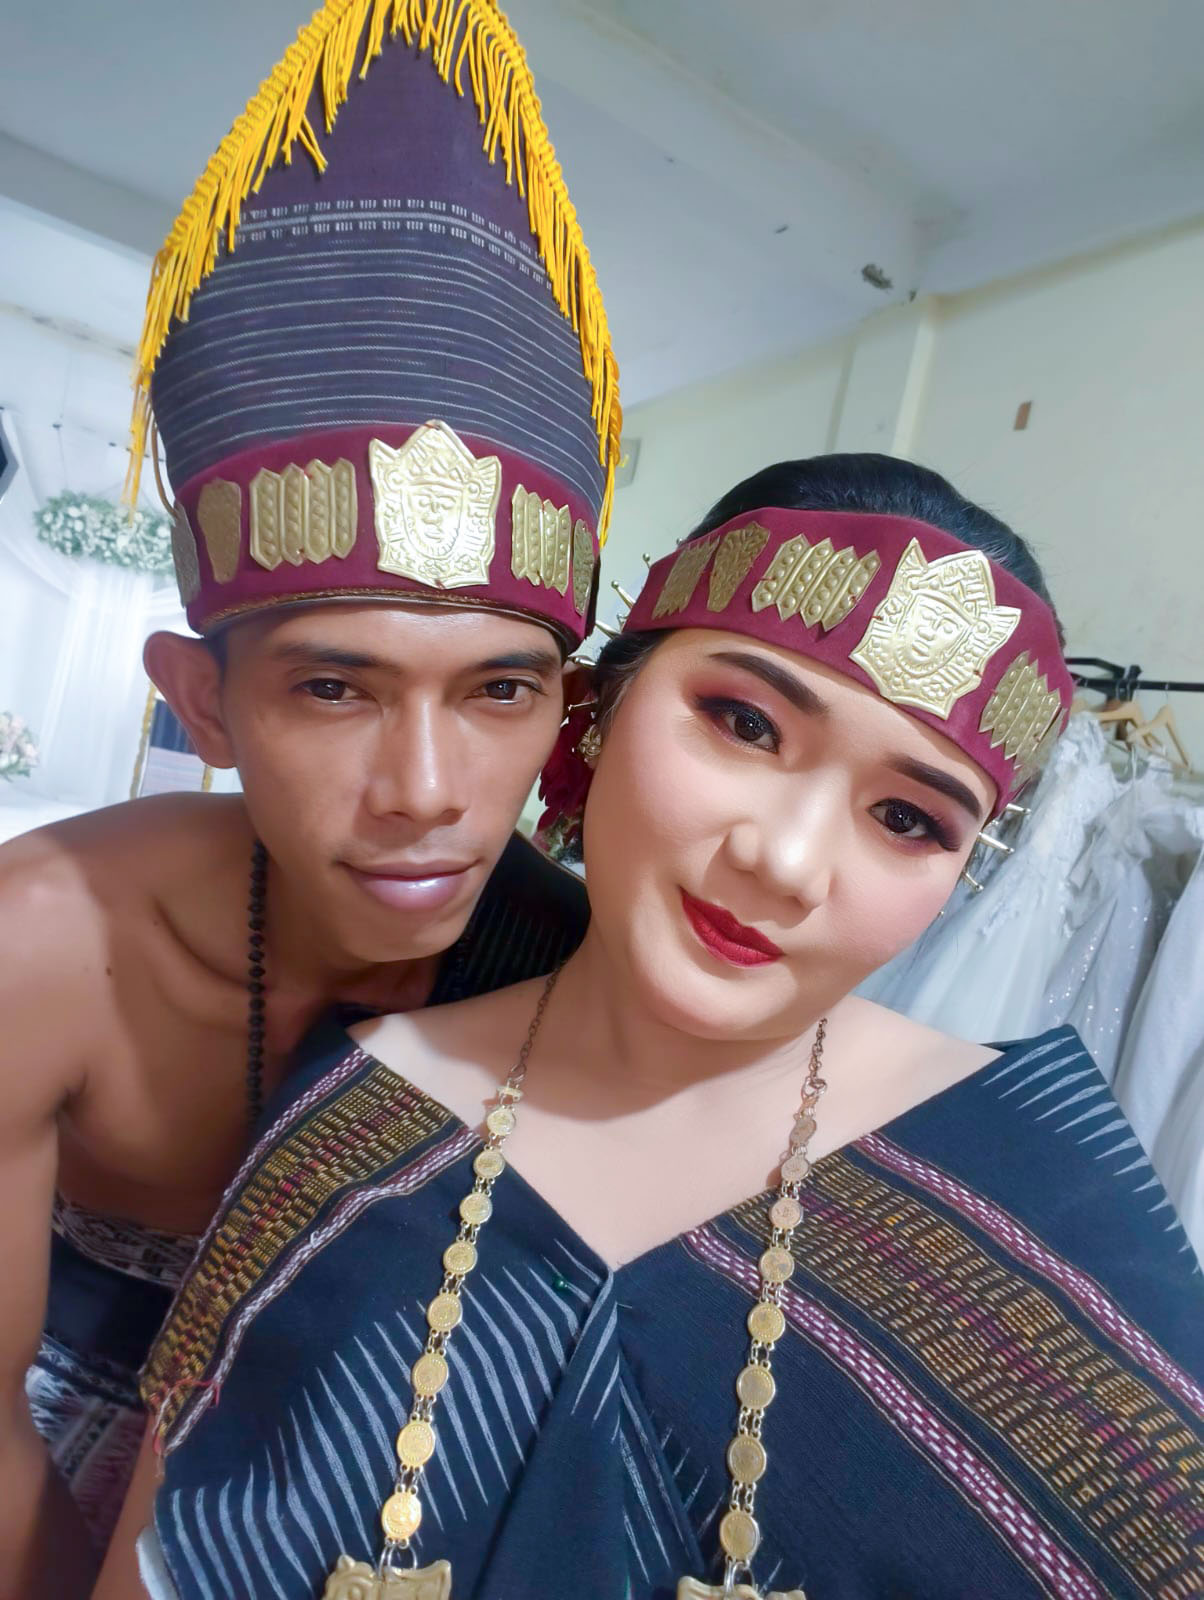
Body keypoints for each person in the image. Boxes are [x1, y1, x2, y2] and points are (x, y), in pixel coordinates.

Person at [99, 454, 1203, 1600]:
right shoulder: (356, 1114)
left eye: (905, 816)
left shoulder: (1039, 1206)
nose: (785, 860)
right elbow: (161, 1539)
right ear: (596, 709)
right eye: (744, 722)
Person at [0, 0, 621, 1589]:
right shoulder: (41, 945)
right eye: (335, 689)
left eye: (499, 691)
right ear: (201, 700)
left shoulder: (573, 972)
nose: (428, 794)